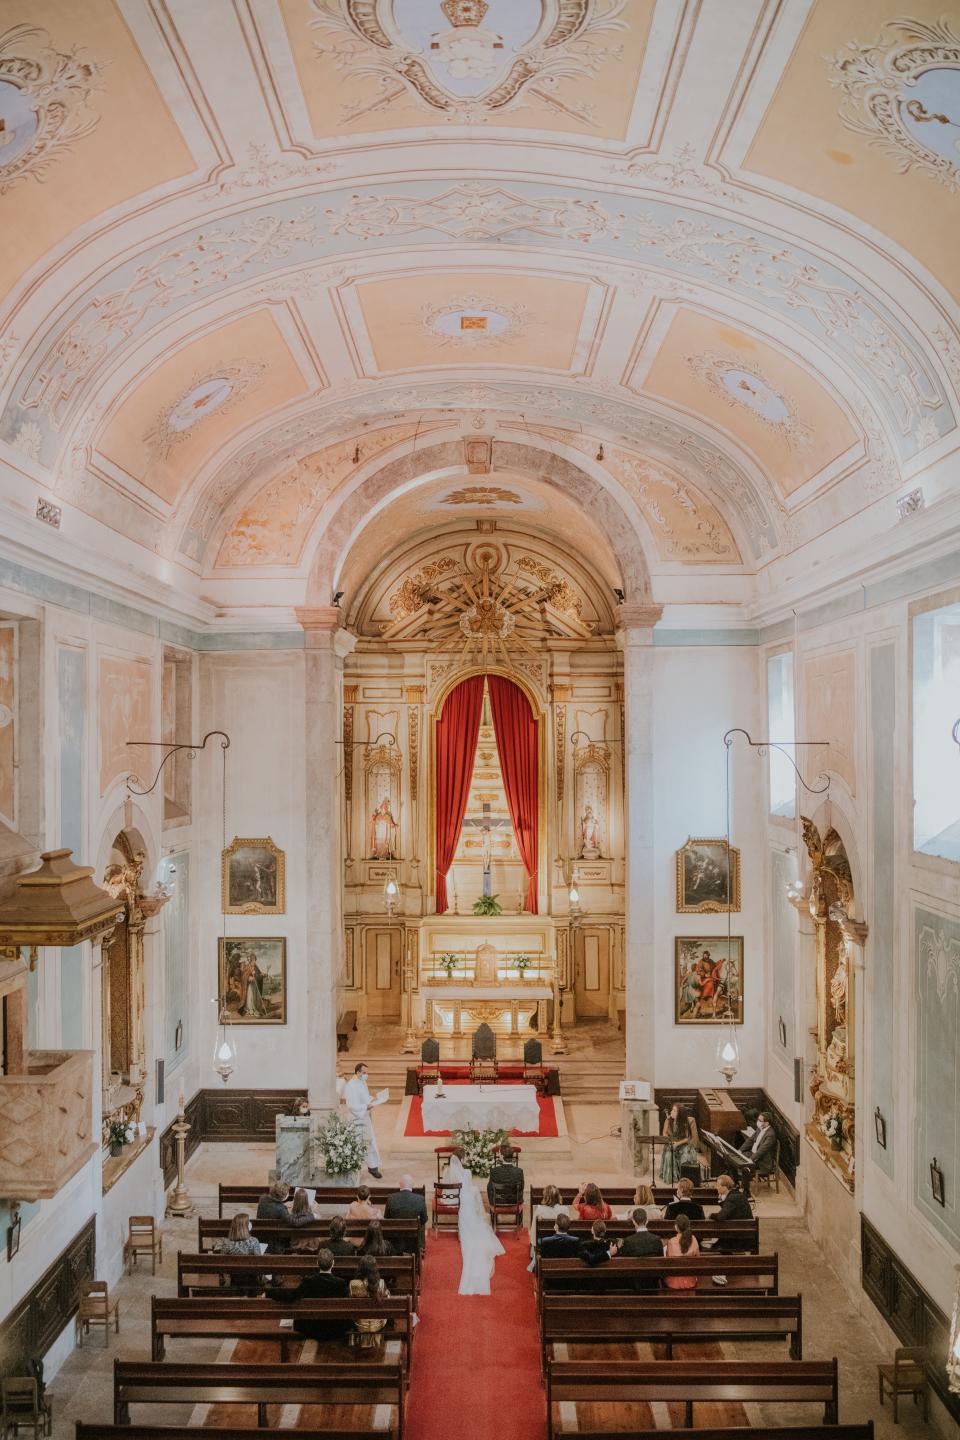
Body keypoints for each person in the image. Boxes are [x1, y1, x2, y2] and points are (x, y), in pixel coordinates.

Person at [446, 1152, 505, 1295]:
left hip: (459, 1206)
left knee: (469, 1241)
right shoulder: (469, 1181)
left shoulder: (450, 1175)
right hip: (469, 1207)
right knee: (479, 1224)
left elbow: (448, 1190)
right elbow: (474, 1198)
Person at [279, 1248, 351, 1340]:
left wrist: (270, 1292)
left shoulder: (309, 1281)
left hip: (311, 1328)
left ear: (317, 1263)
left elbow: (292, 1295)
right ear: (333, 1263)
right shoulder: (341, 1283)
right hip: (334, 1328)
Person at [343, 1062, 383, 1178]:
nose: (366, 1075)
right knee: (355, 1143)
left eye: (367, 1072)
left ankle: (373, 1167)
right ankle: (351, 1167)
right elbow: (351, 1105)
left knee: (369, 1141)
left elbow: (364, 1097)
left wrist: (372, 1099)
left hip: (365, 1117)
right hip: (356, 1118)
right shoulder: (351, 1085)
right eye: (364, 1072)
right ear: (357, 1072)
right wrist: (366, 1107)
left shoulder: (362, 1081)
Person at [611, 1207, 665, 1291]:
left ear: (633, 1222)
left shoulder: (628, 1241)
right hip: (653, 1283)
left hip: (634, 1283)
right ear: (647, 1221)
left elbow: (624, 1263)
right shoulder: (657, 1240)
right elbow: (661, 1261)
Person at [349, 1257, 390, 1348]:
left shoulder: (353, 1284)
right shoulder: (381, 1283)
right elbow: (387, 1301)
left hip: (360, 1323)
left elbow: (351, 1302)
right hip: (378, 1323)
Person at [527, 1184, 570, 1271]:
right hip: (562, 1241)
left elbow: (533, 1232)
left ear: (545, 1197)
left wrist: (534, 1246)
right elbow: (568, 1229)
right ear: (558, 1196)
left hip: (544, 1242)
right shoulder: (565, 1209)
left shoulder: (539, 1210)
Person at [215, 1211, 261, 1292]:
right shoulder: (254, 1241)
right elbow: (259, 1262)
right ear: (246, 1227)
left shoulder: (227, 1243)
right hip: (250, 1280)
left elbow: (222, 1261)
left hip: (233, 1279)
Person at [384, 1174, 427, 1253]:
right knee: (421, 1223)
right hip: (413, 1241)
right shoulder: (420, 1199)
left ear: (400, 1185)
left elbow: (386, 1218)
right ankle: (421, 1246)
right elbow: (424, 1220)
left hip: (395, 1239)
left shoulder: (391, 1198)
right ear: (412, 1185)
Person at [659, 1103, 700, 1184]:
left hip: (682, 1144)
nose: (671, 1112)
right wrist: (670, 1141)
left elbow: (688, 1138)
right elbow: (664, 1133)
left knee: (686, 1155)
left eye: (674, 1111)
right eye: (672, 1110)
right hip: (671, 1143)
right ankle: (672, 1178)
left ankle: (684, 1179)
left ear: (679, 1114)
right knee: (668, 1155)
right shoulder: (668, 1120)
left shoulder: (685, 1122)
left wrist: (677, 1144)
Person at [664, 1214, 700, 1290]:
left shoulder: (671, 1241)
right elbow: (698, 1258)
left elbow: (668, 1262)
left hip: (674, 1281)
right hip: (690, 1280)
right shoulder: (694, 1239)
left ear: (676, 1227)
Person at [738, 1110, 777, 1176]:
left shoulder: (770, 1135)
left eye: (760, 1120)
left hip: (762, 1161)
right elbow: (750, 1140)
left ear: (767, 1123)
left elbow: (762, 1150)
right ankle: (737, 1181)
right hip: (753, 1154)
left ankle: (745, 1183)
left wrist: (751, 1159)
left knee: (743, 1166)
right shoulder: (760, 1128)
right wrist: (740, 1150)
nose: (758, 1122)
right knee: (735, 1160)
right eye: (758, 1119)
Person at [288, 1187, 320, 1252]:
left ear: (295, 1200)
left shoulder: (290, 1213)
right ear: (306, 1200)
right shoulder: (312, 1213)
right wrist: (315, 1208)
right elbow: (318, 1217)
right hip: (309, 1242)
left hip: (296, 1241)